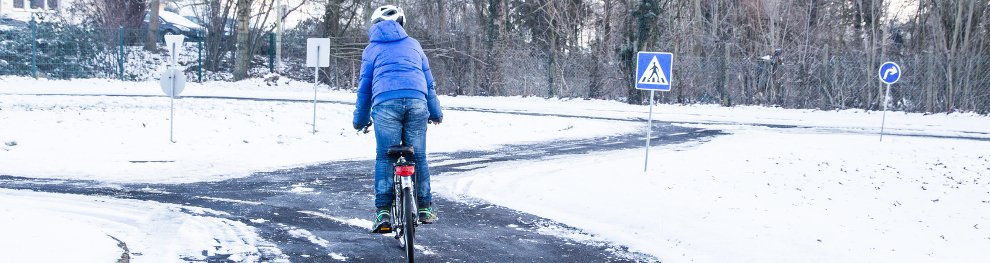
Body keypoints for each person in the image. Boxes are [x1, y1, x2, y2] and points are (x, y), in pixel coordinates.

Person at [352, 5, 443, 233]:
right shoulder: (414, 45)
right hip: (416, 102)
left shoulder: (371, 50)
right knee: (418, 156)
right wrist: (436, 112)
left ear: (375, 26)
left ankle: (383, 213)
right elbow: (429, 84)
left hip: (385, 104)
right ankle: (424, 208)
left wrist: (360, 120)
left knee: (385, 157)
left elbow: (364, 90)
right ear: (402, 24)